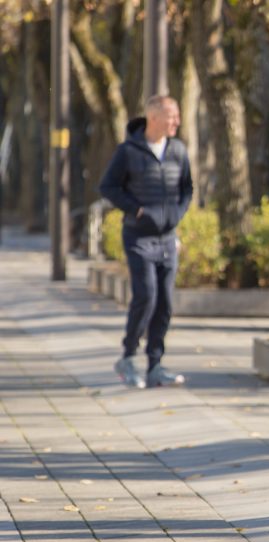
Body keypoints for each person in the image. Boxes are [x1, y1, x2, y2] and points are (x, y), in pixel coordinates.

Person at [100, 95, 192, 389]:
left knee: (164, 302)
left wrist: (177, 214)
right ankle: (127, 357)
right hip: (138, 238)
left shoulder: (178, 149)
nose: (176, 121)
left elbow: (187, 189)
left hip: (167, 239)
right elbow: (107, 187)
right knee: (146, 296)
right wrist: (136, 210)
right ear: (153, 118)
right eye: (171, 116)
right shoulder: (129, 151)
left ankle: (155, 365)